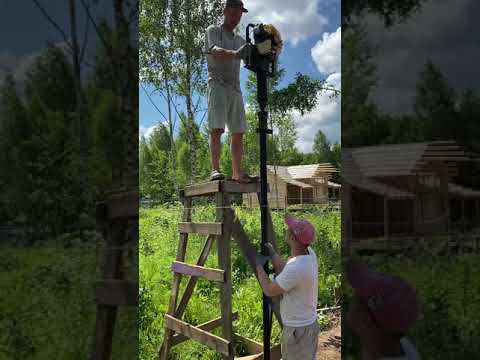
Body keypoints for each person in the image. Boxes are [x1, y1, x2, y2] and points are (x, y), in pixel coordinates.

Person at [205, 0, 281, 183]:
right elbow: (215, 52)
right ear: (225, 11)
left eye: (240, 13)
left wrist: (274, 46)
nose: (238, 15)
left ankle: (238, 174)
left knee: (238, 131)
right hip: (217, 83)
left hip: (235, 88)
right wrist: (236, 54)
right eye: (234, 11)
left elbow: (257, 53)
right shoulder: (213, 31)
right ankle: (215, 170)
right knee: (217, 128)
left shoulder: (240, 39)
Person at [255, 215, 320, 360]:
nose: (287, 230)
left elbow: (269, 290)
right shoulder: (309, 254)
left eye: (289, 229)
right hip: (309, 325)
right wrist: (273, 255)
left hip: (297, 331)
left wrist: (258, 265)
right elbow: (287, 271)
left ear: (291, 237)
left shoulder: (296, 268)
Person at [346, 260, 422, 360]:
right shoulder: (403, 347)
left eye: (358, 294)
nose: (353, 295)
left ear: (365, 320)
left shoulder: (398, 344)